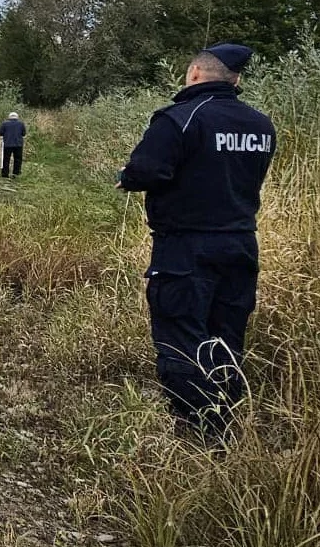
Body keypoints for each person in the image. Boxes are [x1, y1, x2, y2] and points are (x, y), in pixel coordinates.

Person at [117, 43, 276, 439]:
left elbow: (144, 171)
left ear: (194, 74)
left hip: (186, 248)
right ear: (235, 79)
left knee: (182, 335)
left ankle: (196, 430)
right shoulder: (261, 125)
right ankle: (225, 422)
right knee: (226, 335)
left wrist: (127, 177)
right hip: (241, 244)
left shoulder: (180, 119)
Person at [0, 112, 27, 178]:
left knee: (6, 159)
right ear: (17, 117)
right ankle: (16, 173)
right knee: (18, 159)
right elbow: (24, 133)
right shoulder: (21, 124)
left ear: (9, 117)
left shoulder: (4, 123)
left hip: (7, 144)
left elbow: (0, 133)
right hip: (18, 144)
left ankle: (5, 174)